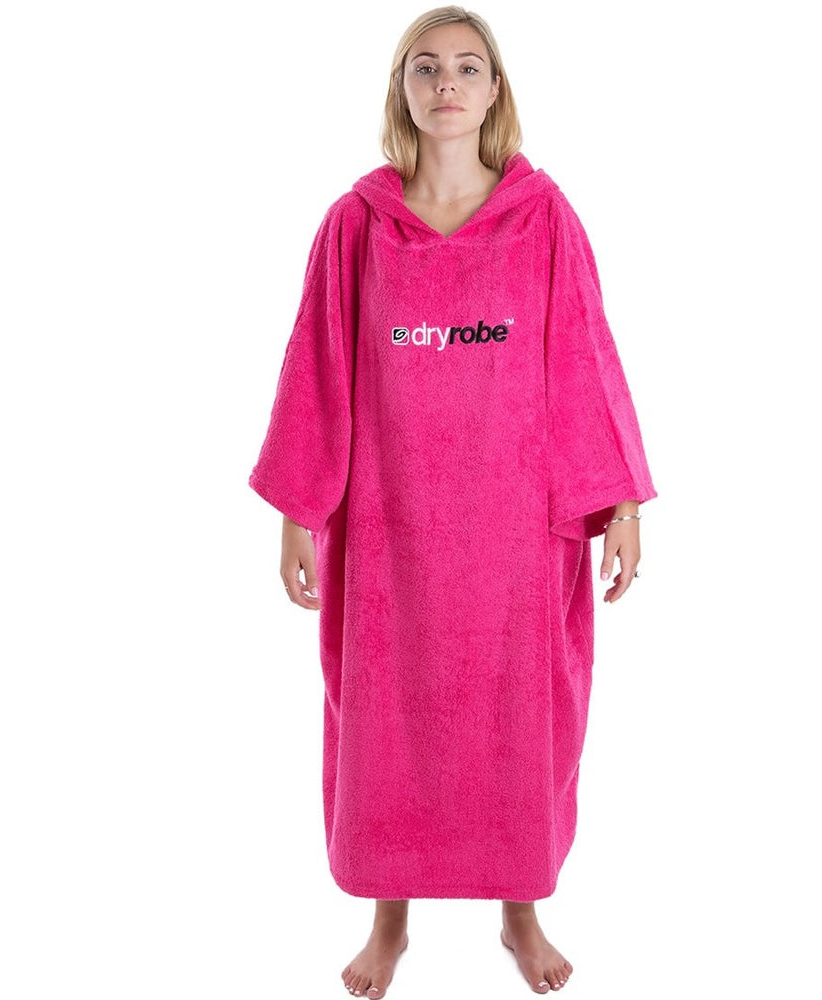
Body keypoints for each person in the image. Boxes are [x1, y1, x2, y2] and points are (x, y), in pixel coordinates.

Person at [248, 6, 657, 997]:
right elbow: (317, 365)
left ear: (494, 92)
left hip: (516, 529)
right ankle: (388, 919)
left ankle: (521, 912)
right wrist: (300, 509)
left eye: (468, 68)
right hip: (388, 526)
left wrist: (620, 504)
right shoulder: (356, 225)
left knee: (519, 715)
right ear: (402, 90)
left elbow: (584, 354)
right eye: (426, 67)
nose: (446, 83)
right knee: (385, 715)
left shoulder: (543, 219)